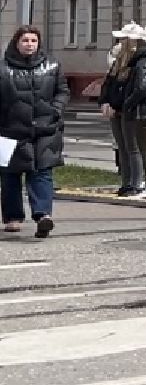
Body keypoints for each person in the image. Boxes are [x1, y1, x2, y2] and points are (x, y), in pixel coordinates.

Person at [0, 25, 66, 238]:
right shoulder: (3, 68)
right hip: (11, 130)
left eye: (33, 41)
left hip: (44, 130)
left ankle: (42, 215)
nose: (29, 45)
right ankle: (13, 217)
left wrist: (55, 110)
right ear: (16, 43)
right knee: (10, 176)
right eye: (25, 41)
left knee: (42, 172)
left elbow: (62, 91)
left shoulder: (52, 66)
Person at [101, 24, 146, 199]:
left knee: (135, 148)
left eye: (125, 38)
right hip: (119, 108)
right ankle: (127, 182)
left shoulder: (140, 61)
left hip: (132, 110)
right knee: (123, 148)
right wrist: (105, 101)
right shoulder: (120, 59)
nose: (121, 42)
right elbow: (109, 83)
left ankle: (136, 183)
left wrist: (123, 104)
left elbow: (137, 88)